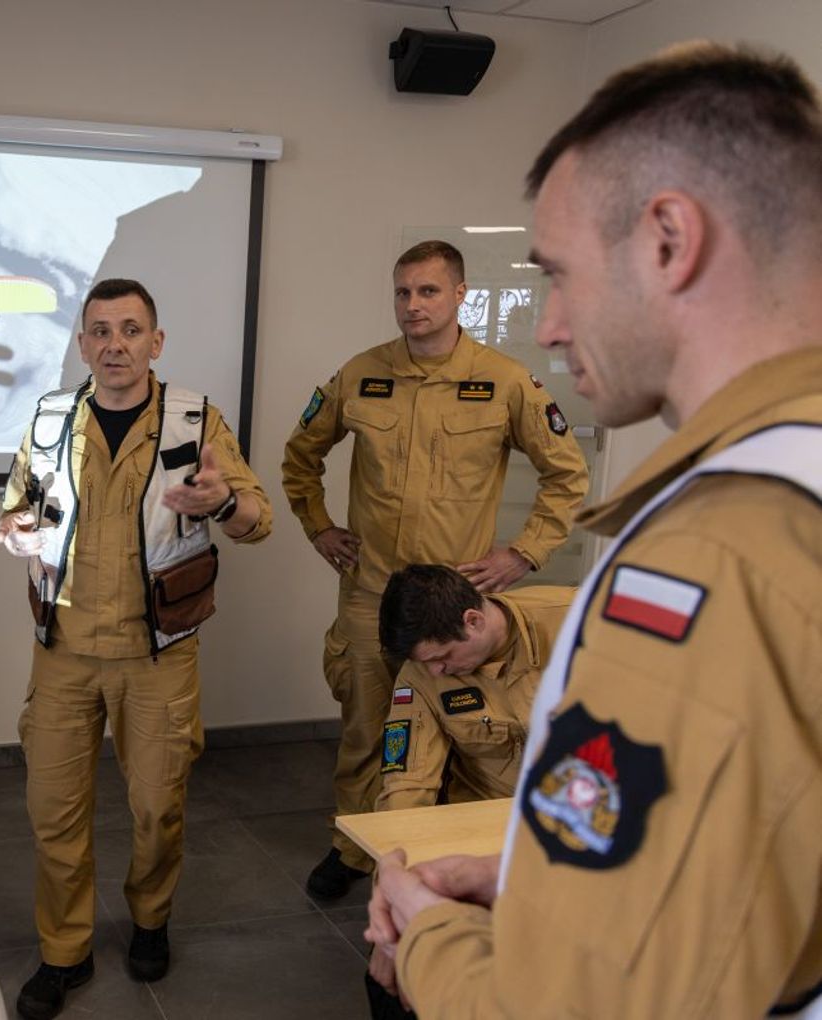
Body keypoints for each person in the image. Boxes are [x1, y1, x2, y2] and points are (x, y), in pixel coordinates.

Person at [367, 42, 822, 1016]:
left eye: (561, 275)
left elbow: (583, 1003)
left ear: (669, 240)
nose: (551, 324)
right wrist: (533, 879)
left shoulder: (714, 555)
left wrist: (428, 934)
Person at [0, 278, 272, 1020]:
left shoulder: (195, 420)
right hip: (63, 650)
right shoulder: (50, 418)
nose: (113, 344)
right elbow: (18, 507)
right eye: (99, 330)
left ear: (156, 341)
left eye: (129, 330)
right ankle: (64, 950)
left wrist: (222, 502)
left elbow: (257, 520)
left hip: (158, 655)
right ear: (82, 343)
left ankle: (151, 918)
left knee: (158, 806)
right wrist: (16, 530)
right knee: (54, 811)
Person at [282, 240, 589, 899]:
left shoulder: (505, 382)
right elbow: (300, 455)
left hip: (452, 610)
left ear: (460, 295)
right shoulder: (362, 374)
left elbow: (567, 474)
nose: (413, 305)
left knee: (464, 729)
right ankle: (355, 848)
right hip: (371, 597)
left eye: (428, 291)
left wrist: (524, 552)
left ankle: (440, 853)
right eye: (403, 292)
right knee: (366, 732)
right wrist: (319, 526)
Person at [374, 564, 572, 813]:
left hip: (587, 813)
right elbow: (408, 783)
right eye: (425, 662)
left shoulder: (582, 621)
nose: (435, 671)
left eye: (443, 656)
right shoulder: (419, 675)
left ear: (473, 621)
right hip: (486, 817)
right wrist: (398, 833)